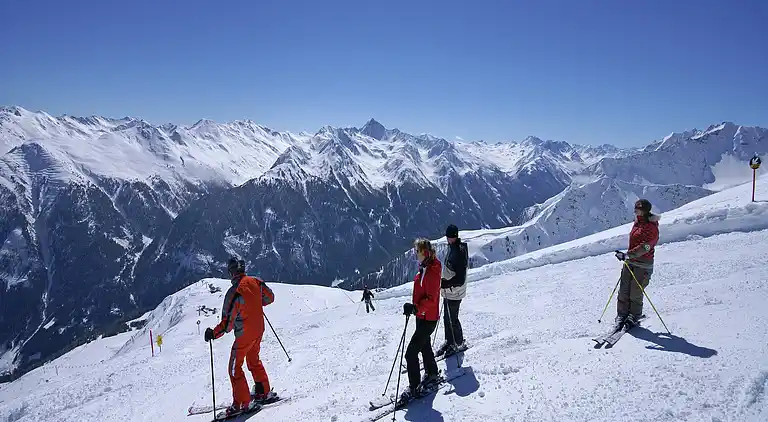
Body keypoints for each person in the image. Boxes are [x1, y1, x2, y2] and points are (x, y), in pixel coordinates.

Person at [204, 257, 277, 417]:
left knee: (234, 367)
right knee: (253, 359)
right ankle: (263, 391)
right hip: (259, 330)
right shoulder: (256, 282)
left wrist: (212, 334)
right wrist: (255, 303)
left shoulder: (234, 293)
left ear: (231, 272)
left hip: (244, 334)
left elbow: (226, 325)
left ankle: (242, 403)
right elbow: (270, 298)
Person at [400, 238, 442, 403]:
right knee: (424, 346)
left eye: (417, 250)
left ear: (425, 252)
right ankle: (432, 372)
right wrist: (414, 307)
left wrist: (416, 308)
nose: (415, 253)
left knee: (411, 353)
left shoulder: (431, 271)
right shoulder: (426, 267)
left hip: (428, 318)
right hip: (422, 316)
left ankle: (415, 386)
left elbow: (431, 299)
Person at [613, 199, 660, 329]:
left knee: (635, 292)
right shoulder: (637, 222)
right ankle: (622, 315)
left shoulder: (652, 228)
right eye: (635, 208)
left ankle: (634, 316)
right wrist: (628, 256)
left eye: (638, 209)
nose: (635, 211)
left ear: (645, 211)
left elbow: (645, 247)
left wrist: (628, 255)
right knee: (623, 290)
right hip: (630, 261)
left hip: (643, 265)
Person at [437, 224, 469, 357]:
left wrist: (446, 283)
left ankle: (459, 342)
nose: (448, 239)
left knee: (453, 319)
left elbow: (460, 279)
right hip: (449, 291)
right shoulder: (454, 248)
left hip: (455, 291)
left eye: (450, 237)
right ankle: (450, 341)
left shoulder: (459, 252)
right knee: (447, 318)